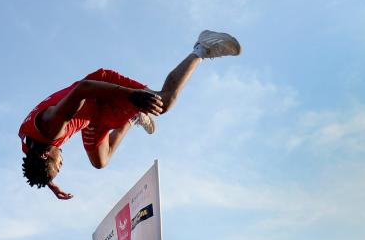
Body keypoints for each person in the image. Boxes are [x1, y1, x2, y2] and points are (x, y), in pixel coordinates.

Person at [20, 30, 241, 200]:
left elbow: (84, 88)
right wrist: (49, 182)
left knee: (163, 103)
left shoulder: (52, 127)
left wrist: (133, 96)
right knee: (100, 161)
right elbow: (34, 161)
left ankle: (202, 48)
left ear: (45, 154)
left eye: (58, 166)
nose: (62, 162)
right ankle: (132, 116)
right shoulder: (31, 147)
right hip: (91, 114)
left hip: (100, 90)